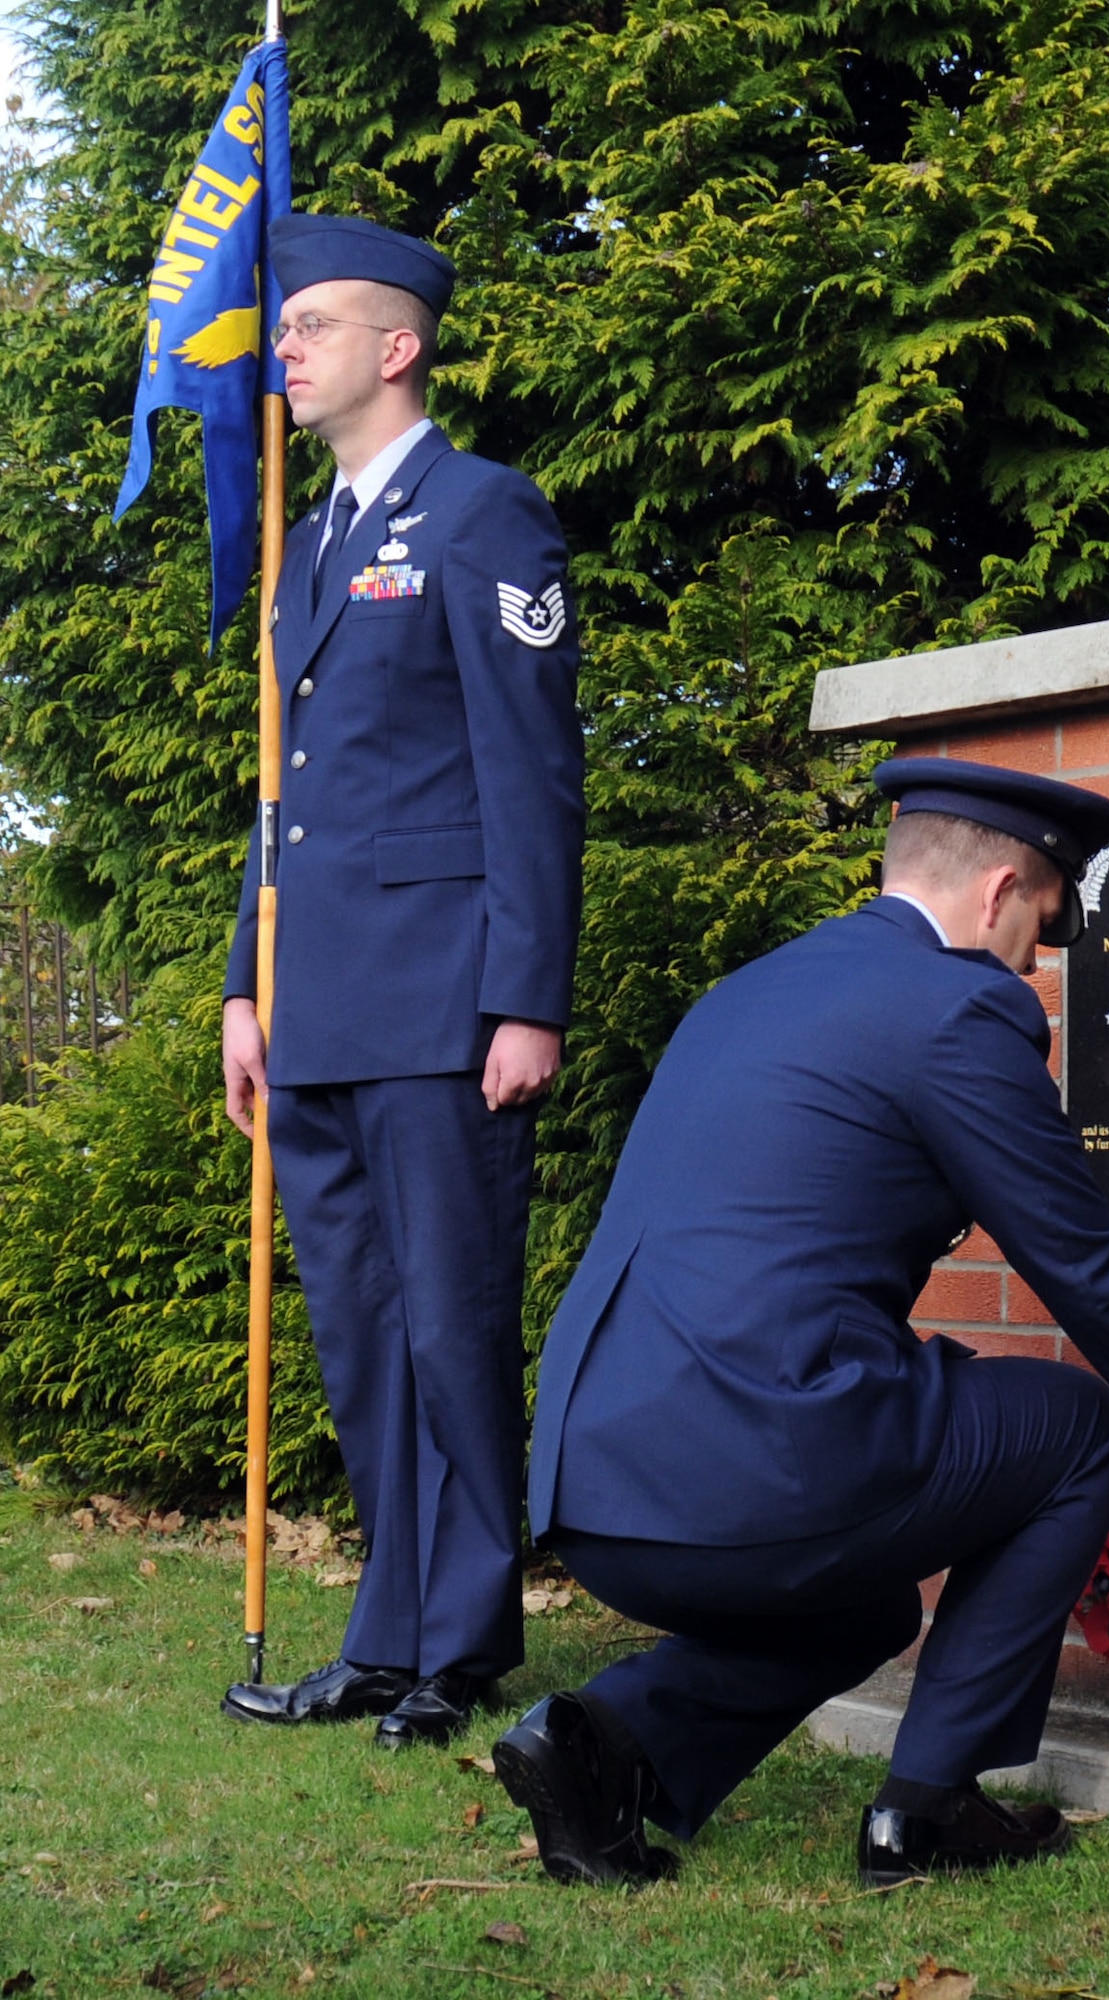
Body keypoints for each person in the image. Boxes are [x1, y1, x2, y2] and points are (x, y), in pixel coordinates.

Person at [498, 758, 1109, 1885]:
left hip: (593, 1487)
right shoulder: (959, 1007)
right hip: (747, 1467)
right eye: (1042, 927)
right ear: (996, 893)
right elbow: (1079, 1253)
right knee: (1080, 1423)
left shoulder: (753, 986)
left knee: (866, 1605)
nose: (1036, 965)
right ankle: (928, 1807)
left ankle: (601, 1742)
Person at [218, 214, 586, 1748]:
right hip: (319, 1007)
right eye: (283, 328)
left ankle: (465, 1646)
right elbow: (283, 792)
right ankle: (387, 1638)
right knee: (362, 1333)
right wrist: (247, 983)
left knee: (448, 1322)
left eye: (309, 328)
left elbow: (534, 776)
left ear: (398, 346)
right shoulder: (311, 543)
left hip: (443, 1006)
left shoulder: (486, 516)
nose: (283, 352)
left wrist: (529, 1000)